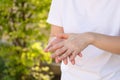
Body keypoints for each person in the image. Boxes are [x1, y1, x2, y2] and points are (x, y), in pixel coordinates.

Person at [44, 0, 120, 80]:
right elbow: (55, 35)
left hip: (113, 76)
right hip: (70, 76)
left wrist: (90, 38)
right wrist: (59, 46)